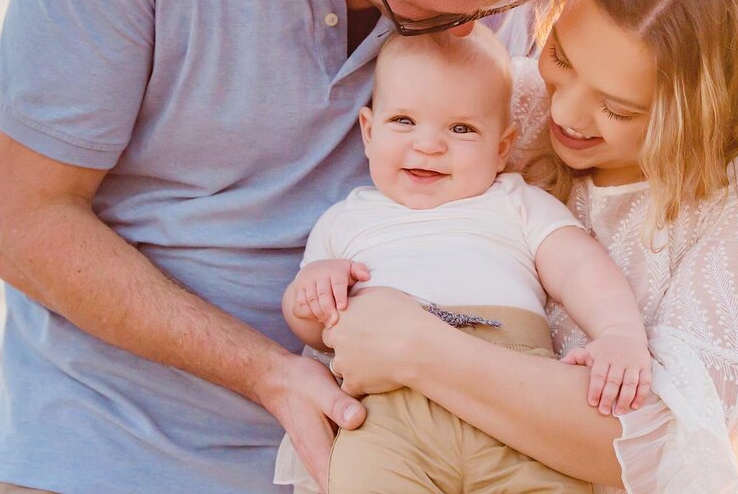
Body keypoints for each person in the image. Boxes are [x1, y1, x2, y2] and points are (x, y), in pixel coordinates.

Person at [0, 0, 587, 494]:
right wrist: (269, 375)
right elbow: (18, 220)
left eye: (488, 12)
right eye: (423, 17)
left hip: (390, 460)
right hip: (104, 452)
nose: (470, 33)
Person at [322, 0, 738, 493]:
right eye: (559, 56)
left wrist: (416, 349)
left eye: (620, 108)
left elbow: (659, 447)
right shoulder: (513, 105)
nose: (565, 111)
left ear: (705, 115)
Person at [273, 26, 651, 493]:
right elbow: (313, 330)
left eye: (461, 129)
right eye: (404, 122)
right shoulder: (345, 220)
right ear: (369, 132)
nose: (429, 144)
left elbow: (579, 267)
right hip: (390, 417)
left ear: (501, 148)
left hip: (516, 403)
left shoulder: (516, 202)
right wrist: (315, 290)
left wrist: (619, 333)